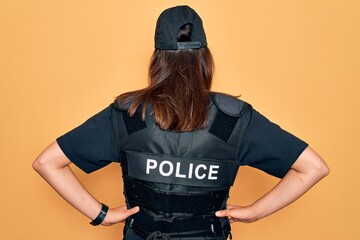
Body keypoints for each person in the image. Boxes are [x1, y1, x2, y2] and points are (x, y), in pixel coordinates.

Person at [33, 5, 329, 240]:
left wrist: (102, 215)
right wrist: (254, 212)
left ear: (157, 59)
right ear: (205, 59)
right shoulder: (233, 119)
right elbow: (314, 168)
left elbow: (47, 162)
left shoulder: (129, 115)